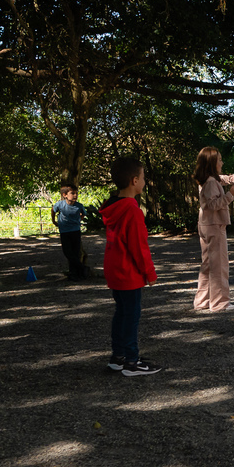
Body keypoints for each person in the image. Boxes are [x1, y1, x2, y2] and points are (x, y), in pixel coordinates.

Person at [100, 157, 162, 375]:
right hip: (128, 272)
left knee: (122, 313)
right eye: (143, 178)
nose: (145, 182)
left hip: (116, 270)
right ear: (134, 180)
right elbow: (139, 246)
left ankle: (118, 356)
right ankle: (132, 361)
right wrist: (150, 273)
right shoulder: (132, 210)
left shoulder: (114, 207)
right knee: (131, 316)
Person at [192, 146, 234, 312]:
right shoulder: (211, 183)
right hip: (214, 226)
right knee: (219, 265)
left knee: (207, 264)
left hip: (205, 225)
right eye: (219, 159)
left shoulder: (208, 180)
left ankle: (202, 301)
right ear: (212, 163)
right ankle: (220, 303)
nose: (222, 162)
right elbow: (212, 205)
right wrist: (231, 195)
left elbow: (226, 179)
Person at [51, 183, 89, 279]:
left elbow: (83, 214)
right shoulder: (60, 204)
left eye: (76, 193)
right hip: (64, 231)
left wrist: (78, 221)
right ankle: (82, 268)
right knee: (67, 252)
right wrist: (54, 221)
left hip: (75, 231)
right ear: (65, 195)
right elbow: (53, 210)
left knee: (75, 252)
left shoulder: (79, 206)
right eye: (72, 193)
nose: (75, 195)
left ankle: (75, 274)